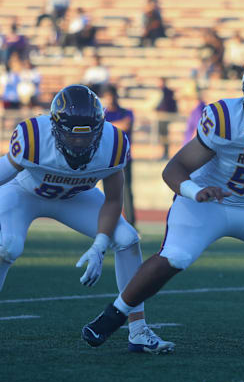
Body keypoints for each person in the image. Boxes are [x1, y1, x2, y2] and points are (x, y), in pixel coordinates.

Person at [80, 56, 244, 357]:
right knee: (176, 256)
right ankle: (114, 315)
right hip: (209, 201)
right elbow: (175, 168)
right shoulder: (226, 118)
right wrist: (196, 192)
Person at [0, 85, 173, 353]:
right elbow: (4, 172)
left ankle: (138, 331)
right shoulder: (33, 136)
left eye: (87, 135)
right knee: (8, 246)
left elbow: (114, 199)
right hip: (25, 193)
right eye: (72, 135)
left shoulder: (113, 143)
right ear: (55, 127)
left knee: (127, 239)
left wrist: (99, 244)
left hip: (75, 198)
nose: (80, 143)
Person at [102, 85, 136, 226]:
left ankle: (131, 223)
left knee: (126, 191)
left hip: (124, 158)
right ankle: (110, 223)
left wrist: (107, 125)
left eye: (111, 96)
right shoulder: (103, 113)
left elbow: (126, 125)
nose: (110, 100)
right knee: (108, 193)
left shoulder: (126, 112)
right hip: (108, 159)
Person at [155, 77, 178, 160]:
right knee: (162, 136)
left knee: (164, 136)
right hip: (162, 117)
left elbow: (170, 105)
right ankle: (164, 153)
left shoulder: (166, 92)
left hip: (164, 116)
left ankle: (165, 153)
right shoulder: (163, 92)